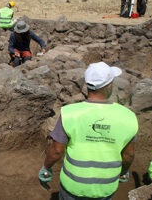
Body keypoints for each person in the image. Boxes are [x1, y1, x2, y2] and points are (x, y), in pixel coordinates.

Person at [39, 62, 138, 199]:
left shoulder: (70, 113)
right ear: (109, 86)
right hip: (105, 187)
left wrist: (46, 168)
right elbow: (128, 155)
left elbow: (56, 151)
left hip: (73, 187)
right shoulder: (128, 117)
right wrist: (123, 171)